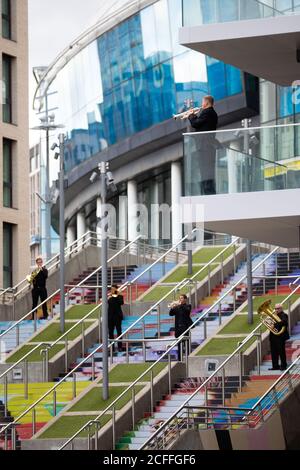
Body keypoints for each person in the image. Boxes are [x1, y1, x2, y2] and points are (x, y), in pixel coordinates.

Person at [187, 95, 219, 196]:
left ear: (206, 103)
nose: (201, 104)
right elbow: (201, 125)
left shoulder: (207, 112)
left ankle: (208, 193)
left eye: (202, 102)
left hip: (204, 146)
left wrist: (191, 116)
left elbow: (195, 124)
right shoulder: (211, 113)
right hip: (206, 146)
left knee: (205, 172)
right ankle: (208, 192)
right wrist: (194, 116)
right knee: (206, 172)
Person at [169, 294, 193, 361]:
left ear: (185, 299)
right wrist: (172, 307)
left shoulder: (188, 306)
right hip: (178, 328)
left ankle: (188, 358)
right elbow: (171, 314)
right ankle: (179, 359)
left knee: (186, 343)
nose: (180, 300)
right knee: (179, 344)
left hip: (185, 327)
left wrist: (179, 305)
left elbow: (187, 311)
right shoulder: (177, 307)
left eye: (182, 298)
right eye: (179, 298)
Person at [269, 304, 289, 371]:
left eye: (278, 308)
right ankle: (275, 366)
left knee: (281, 351)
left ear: (281, 308)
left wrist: (274, 325)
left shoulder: (284, 315)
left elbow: (284, 322)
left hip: (280, 337)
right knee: (273, 352)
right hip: (273, 336)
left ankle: (283, 366)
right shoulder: (274, 316)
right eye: (275, 308)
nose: (276, 310)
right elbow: (271, 324)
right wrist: (271, 324)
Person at [108, 285, 124, 352]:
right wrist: (112, 296)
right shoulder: (110, 297)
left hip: (117, 316)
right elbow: (109, 302)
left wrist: (117, 295)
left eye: (114, 289)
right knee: (110, 332)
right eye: (111, 289)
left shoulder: (120, 296)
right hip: (110, 316)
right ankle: (112, 347)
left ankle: (120, 346)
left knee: (119, 331)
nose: (112, 290)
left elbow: (121, 303)